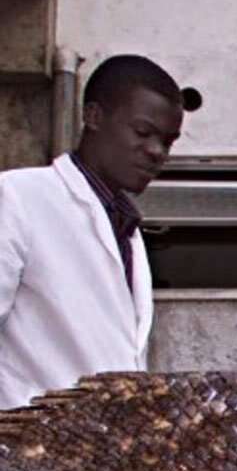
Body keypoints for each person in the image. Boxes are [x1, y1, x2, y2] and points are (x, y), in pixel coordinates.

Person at [0, 54, 183, 410]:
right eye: (143, 133)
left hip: (104, 456)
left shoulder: (126, 228)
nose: (157, 152)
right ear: (94, 116)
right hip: (24, 451)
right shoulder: (17, 198)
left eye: (168, 141)